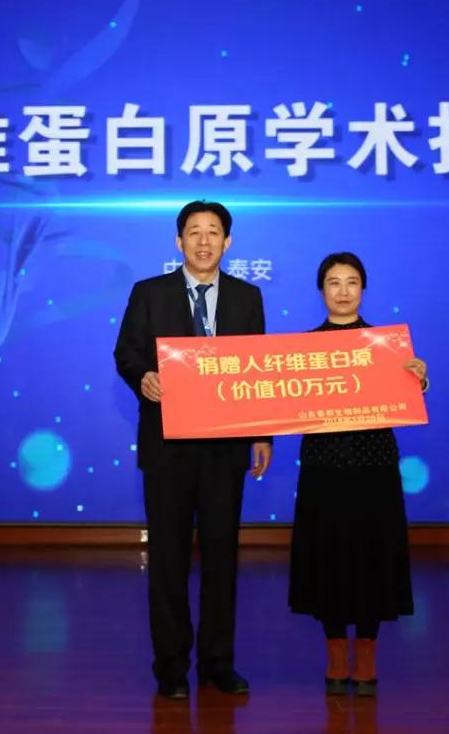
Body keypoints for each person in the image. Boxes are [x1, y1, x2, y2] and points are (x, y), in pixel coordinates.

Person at [114, 200, 273, 700]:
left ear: (228, 242)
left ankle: (218, 664)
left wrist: (262, 433)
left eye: (213, 232)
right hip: (167, 447)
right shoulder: (149, 293)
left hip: (225, 448)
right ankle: (171, 669)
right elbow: (126, 352)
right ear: (178, 241)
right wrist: (144, 376)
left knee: (222, 558)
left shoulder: (247, 297)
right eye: (194, 232)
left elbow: (258, 369)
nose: (204, 241)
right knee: (168, 559)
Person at [288, 251, 428, 697]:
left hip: (375, 467)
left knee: (373, 559)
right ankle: (334, 654)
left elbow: (405, 397)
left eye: (351, 282)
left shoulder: (386, 346)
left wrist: (418, 379)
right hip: (323, 468)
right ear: (321, 290)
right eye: (334, 282)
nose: (343, 291)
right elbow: (284, 400)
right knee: (327, 559)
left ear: (363, 289)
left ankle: (366, 655)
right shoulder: (303, 348)